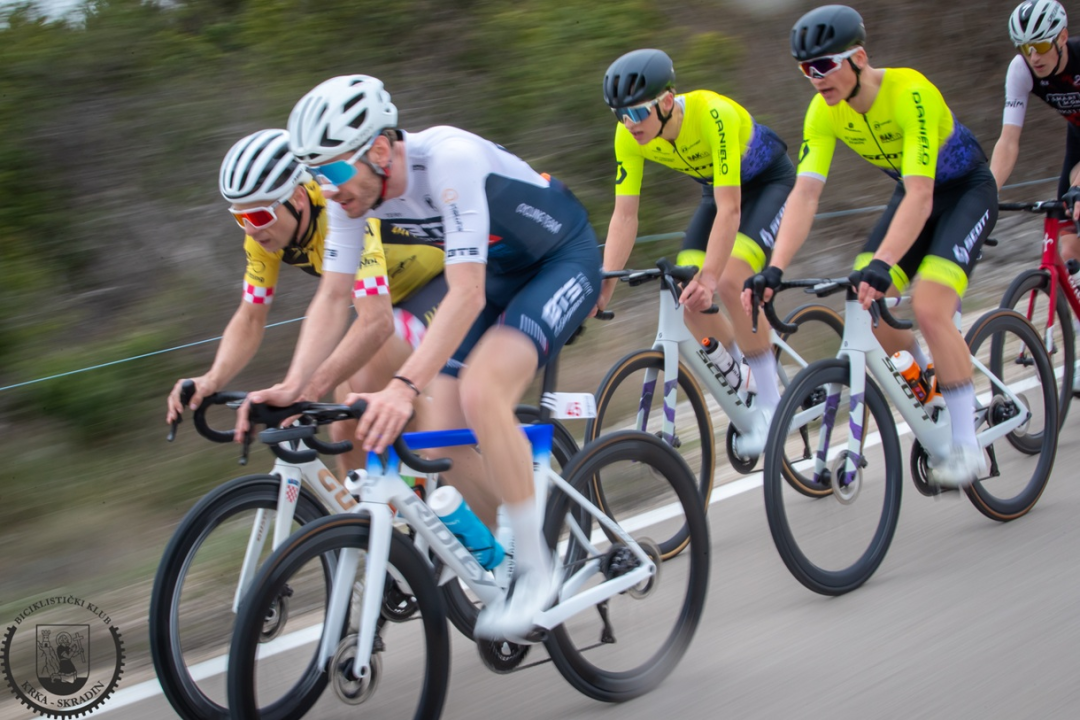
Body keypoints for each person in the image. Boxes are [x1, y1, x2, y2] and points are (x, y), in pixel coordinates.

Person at [236, 75, 601, 639]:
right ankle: (505, 545)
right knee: (442, 438)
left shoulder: (449, 160)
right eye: (317, 175)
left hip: (560, 260)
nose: (328, 190)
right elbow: (333, 297)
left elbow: (466, 294)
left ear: (380, 150)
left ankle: (537, 571)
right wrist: (296, 387)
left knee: (482, 391)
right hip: (500, 274)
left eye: (334, 171)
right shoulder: (353, 198)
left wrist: (404, 386)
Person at [742, 4, 998, 487]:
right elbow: (806, 193)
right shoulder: (823, 112)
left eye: (824, 65)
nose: (815, 79)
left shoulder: (910, 92)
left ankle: (968, 446)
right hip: (913, 196)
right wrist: (774, 267)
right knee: (865, 302)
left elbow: (921, 194)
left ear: (858, 58)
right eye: (805, 69)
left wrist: (884, 261)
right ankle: (932, 383)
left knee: (929, 306)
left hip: (965, 192)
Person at [167, 128, 446, 476]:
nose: (250, 230)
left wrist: (303, 390)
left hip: (440, 282)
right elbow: (251, 317)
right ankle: (369, 509)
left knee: (367, 380)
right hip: (396, 299)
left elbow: (376, 322)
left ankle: (451, 476)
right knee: (345, 422)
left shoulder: (340, 211)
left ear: (298, 197)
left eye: (258, 217)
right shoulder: (263, 234)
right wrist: (213, 378)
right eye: (240, 218)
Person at [596, 49, 796, 456]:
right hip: (717, 192)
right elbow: (625, 216)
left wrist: (711, 277)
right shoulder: (627, 136)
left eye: (636, 112)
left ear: (667, 101)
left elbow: (731, 210)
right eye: (619, 114)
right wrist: (605, 286)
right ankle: (748, 370)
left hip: (767, 184)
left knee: (729, 278)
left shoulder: (712, 115)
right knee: (685, 293)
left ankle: (773, 405)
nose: (628, 123)